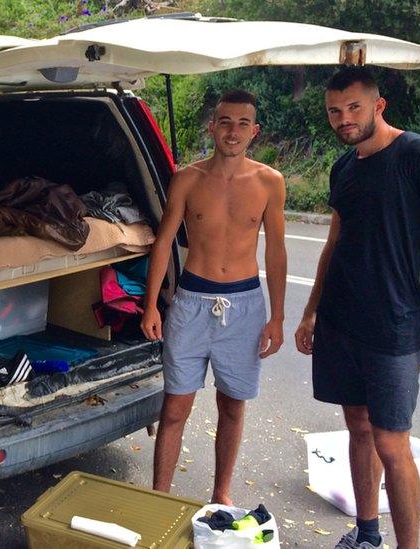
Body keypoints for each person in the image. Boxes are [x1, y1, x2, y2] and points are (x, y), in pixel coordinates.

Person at [294, 66, 420, 549]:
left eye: (354, 107)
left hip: (394, 324)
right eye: (335, 111)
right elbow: (333, 243)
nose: (344, 118)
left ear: (379, 105)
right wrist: (311, 310)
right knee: (357, 428)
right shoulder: (345, 167)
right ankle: (366, 534)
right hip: (339, 322)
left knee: (392, 442)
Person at [141, 89, 287, 504]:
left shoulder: (268, 182)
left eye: (243, 123)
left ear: (254, 131)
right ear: (213, 126)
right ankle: (160, 497)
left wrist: (277, 317)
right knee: (174, 408)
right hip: (191, 302)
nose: (233, 131)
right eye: (225, 122)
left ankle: (221, 493)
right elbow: (164, 240)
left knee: (233, 406)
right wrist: (151, 303)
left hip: (244, 305)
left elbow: (276, 252)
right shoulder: (188, 178)